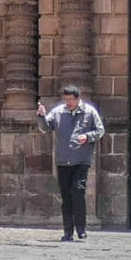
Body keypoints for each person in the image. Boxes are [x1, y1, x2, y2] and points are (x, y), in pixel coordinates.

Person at [37, 84, 106, 241]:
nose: (67, 102)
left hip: (81, 160)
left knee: (78, 191)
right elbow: (46, 128)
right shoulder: (58, 112)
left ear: (78, 98)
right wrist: (41, 116)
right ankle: (68, 231)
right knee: (66, 198)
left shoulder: (89, 112)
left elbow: (100, 130)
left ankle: (81, 228)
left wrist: (88, 137)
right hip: (63, 161)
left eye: (70, 100)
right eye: (65, 99)